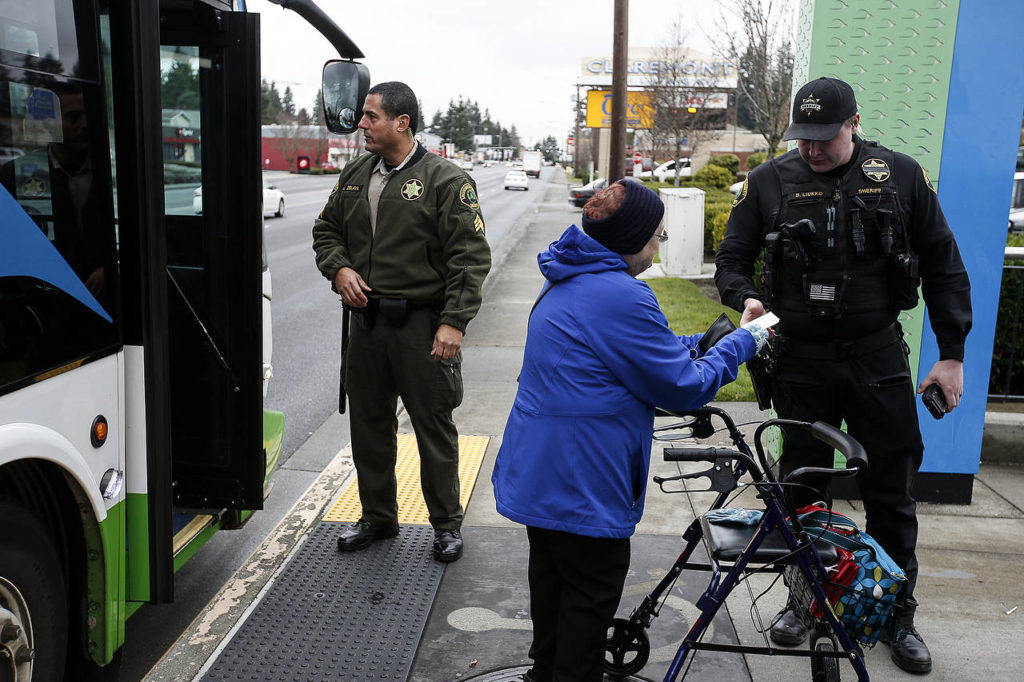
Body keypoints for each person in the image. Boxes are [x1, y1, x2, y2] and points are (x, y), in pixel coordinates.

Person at [715, 77, 972, 674]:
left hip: (876, 356)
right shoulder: (769, 181)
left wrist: (951, 353)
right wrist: (746, 299)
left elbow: (943, 266)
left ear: (853, 123)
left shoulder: (902, 176)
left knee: (891, 491)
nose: (812, 150)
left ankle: (897, 613)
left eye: (824, 138)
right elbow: (732, 258)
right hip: (800, 360)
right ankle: (806, 602)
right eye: (802, 138)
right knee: (803, 488)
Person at [492, 179, 767, 682]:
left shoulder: (574, 276)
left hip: (541, 472)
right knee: (587, 602)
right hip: (584, 484)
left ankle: (545, 671)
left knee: (552, 588)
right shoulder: (621, 294)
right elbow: (684, 389)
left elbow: (635, 348)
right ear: (634, 237)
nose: (659, 246)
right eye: (658, 236)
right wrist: (745, 343)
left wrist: (706, 339)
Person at [312, 81, 491, 563]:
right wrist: (340, 269)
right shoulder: (355, 174)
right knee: (369, 425)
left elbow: (469, 258)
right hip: (366, 326)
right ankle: (377, 516)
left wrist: (453, 323)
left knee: (433, 427)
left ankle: (446, 526)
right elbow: (325, 230)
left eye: (370, 116)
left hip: (421, 326)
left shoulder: (446, 180)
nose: (361, 125)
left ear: (401, 122)